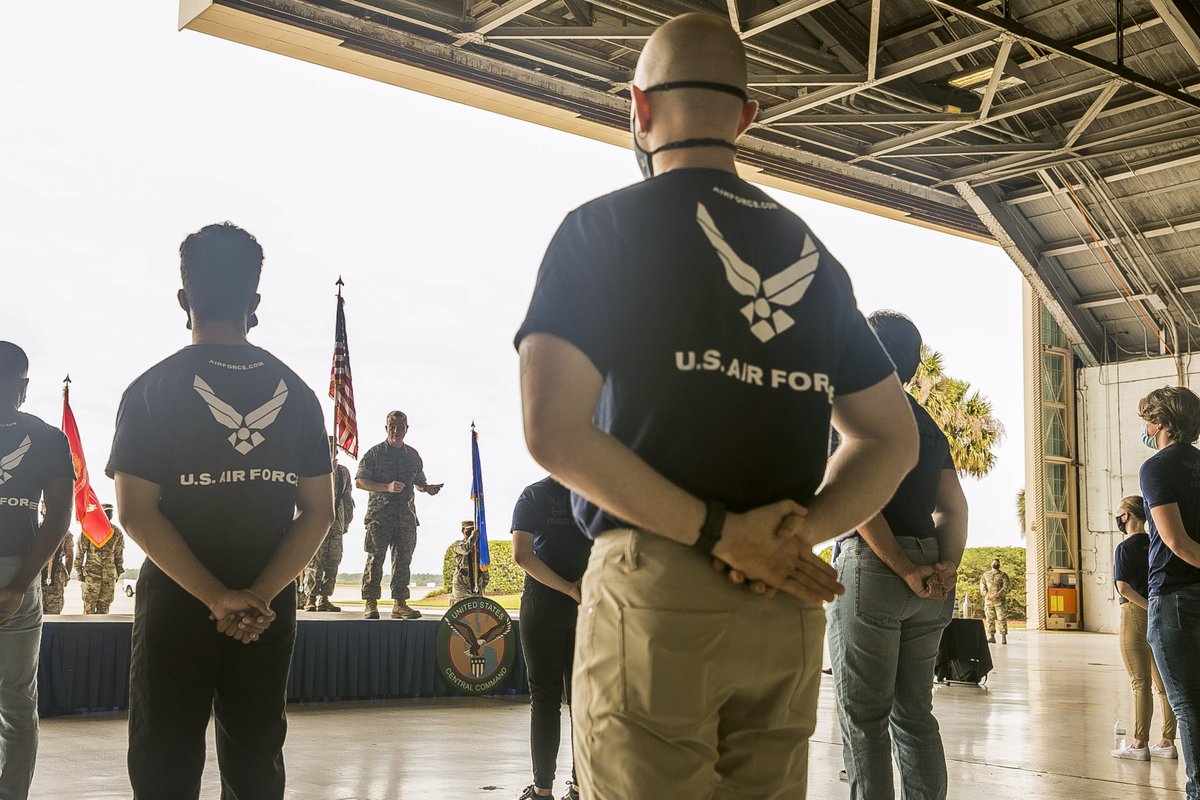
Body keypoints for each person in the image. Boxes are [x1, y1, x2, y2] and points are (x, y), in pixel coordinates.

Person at [514, 14, 919, 797]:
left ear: (639, 107)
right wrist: (795, 536)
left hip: (658, 595)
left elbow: (552, 430)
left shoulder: (600, 231)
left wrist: (721, 533)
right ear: (746, 117)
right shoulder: (812, 255)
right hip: (785, 601)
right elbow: (890, 439)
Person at [107, 222, 335, 799]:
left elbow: (134, 513)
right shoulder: (300, 394)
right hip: (265, 612)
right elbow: (317, 513)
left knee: (164, 767)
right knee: (257, 763)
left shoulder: (151, 391)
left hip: (177, 612)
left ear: (184, 299)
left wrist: (215, 598)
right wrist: (253, 597)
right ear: (254, 303)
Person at [826, 311, 969, 800]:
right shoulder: (928, 425)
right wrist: (944, 565)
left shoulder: (850, 413)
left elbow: (856, 499)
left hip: (875, 568)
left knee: (864, 718)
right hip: (929, 573)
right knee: (914, 714)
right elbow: (953, 506)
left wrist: (904, 570)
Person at [0, 341, 74, 800]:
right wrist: (18, 586)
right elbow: (59, 517)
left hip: (16, 576)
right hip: (18, 574)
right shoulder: (49, 438)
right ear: (24, 387)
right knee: (16, 704)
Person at [511, 477, 593, 800]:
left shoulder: (532, 494)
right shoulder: (592, 493)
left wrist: (567, 588)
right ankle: (579, 788)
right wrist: (577, 586)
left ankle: (542, 791)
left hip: (543, 604)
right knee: (583, 701)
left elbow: (522, 555)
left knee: (544, 700)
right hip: (584, 603)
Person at [1139, 385, 1200, 795]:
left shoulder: (1156, 467)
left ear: (1161, 423)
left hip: (1174, 596)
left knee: (1187, 706)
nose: (1145, 427)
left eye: (1148, 419)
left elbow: (1176, 542)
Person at [355, 411, 442, 620]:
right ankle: (370, 603)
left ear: (406, 429)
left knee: (403, 561)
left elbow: (419, 482)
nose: (396, 430)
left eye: (400, 427)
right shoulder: (374, 454)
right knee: (375, 559)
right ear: (386, 428)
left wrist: (427, 488)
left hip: (406, 518)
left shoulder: (412, 455)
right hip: (380, 517)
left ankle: (400, 604)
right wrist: (386, 486)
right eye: (392, 426)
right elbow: (359, 482)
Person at [1111, 494, 1177, 761]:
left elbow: (1123, 587)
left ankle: (1139, 744)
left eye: (1119, 512)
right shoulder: (1156, 544)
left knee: (1140, 683)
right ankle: (1168, 741)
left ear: (1126, 516)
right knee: (1163, 684)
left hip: (1135, 613)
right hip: (1160, 615)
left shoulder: (1124, 548)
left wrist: (1145, 607)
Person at [302, 436, 354, 612]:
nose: (331, 450)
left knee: (333, 562)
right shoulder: (312, 469)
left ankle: (324, 598)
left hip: (336, 525)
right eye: (327, 447)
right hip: (316, 523)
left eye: (333, 447)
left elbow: (347, 499)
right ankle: (310, 597)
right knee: (315, 562)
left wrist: (346, 522)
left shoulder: (343, 472)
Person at [76, 504, 125, 614]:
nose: (109, 514)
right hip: (91, 576)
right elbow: (79, 554)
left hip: (108, 577)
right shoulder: (89, 530)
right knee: (89, 609)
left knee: (104, 610)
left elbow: (118, 555)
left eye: (110, 512)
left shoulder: (116, 532)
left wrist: (117, 573)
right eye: (106, 512)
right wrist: (79, 573)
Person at [40, 522, 73, 616]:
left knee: (36, 612)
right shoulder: (65, 531)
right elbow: (69, 556)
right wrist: (67, 576)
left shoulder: (36, 529)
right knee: (54, 613)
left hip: (38, 572)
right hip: (55, 574)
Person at [452, 520, 488, 600]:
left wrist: (484, 582)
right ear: (463, 530)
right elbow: (466, 549)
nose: (471, 532)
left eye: (473, 529)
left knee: (477, 610)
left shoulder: (478, 547)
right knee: (462, 609)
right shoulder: (458, 544)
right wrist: (473, 536)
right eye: (469, 530)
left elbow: (484, 565)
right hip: (462, 584)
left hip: (476, 585)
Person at [979, 558, 1011, 644]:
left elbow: (1006, 587)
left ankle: (1003, 637)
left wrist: (998, 594)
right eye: (994, 563)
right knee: (989, 619)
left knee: (1002, 619)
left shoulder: (1003, 575)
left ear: (999, 564)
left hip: (1000, 602)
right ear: (991, 564)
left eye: (997, 563)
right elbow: (982, 586)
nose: (995, 564)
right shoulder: (985, 575)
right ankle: (991, 636)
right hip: (988, 601)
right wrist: (987, 594)